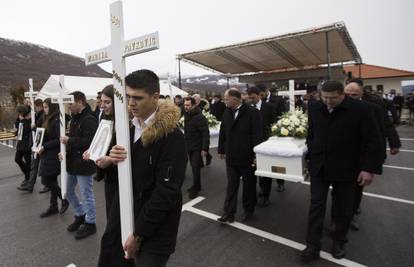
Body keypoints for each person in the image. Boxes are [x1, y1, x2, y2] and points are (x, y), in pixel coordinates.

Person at [108, 69, 187, 266]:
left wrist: (139, 234)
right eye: (128, 96)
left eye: (137, 98)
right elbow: (122, 175)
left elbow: (167, 192)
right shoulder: (129, 127)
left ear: (155, 97)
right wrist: (110, 160)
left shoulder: (172, 137)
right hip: (126, 216)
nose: (131, 103)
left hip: (155, 231)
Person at [301, 81, 382, 261]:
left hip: (347, 167)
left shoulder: (361, 110)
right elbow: (312, 134)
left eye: (333, 98)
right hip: (320, 166)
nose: (328, 102)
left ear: (342, 94)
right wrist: (309, 158)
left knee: (343, 208)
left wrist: (369, 169)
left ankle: (339, 242)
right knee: (316, 205)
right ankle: (312, 245)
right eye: (325, 98)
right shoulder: (315, 107)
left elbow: (373, 140)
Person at [340, 79, 401, 231]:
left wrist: (394, 143)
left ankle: (351, 214)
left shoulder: (374, 107)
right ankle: (338, 217)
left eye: (354, 95)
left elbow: (385, 127)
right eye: (347, 94)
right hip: (341, 155)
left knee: (356, 189)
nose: (349, 97)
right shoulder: (337, 105)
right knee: (339, 190)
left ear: (362, 93)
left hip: (361, 155)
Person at [217, 88, 263, 223]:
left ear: (235, 99)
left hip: (247, 156)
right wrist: (221, 149)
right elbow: (223, 131)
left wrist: (256, 154)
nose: (225, 101)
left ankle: (249, 210)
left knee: (249, 185)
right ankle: (228, 213)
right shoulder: (227, 111)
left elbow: (257, 134)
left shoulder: (252, 112)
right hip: (231, 156)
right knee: (231, 185)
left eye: (226, 99)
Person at [59, 91, 99, 240]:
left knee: (86, 193)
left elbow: (89, 143)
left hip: (84, 163)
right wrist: (64, 152)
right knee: (68, 191)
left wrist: (69, 141)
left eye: (71, 103)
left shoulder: (89, 119)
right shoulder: (75, 118)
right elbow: (73, 140)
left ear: (80, 102)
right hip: (73, 163)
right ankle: (80, 214)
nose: (68, 106)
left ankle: (90, 223)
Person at [37, 98, 70, 217]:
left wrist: (44, 146)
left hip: (53, 154)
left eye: (46, 107)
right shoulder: (47, 118)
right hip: (47, 153)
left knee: (46, 180)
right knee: (51, 180)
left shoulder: (57, 119)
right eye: (44, 107)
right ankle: (53, 206)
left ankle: (64, 199)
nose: (44, 109)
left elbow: (58, 139)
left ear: (52, 107)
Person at [246, 86, 276, 207]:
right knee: (253, 170)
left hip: (265, 143)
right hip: (250, 144)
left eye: (253, 98)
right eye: (249, 98)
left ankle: (265, 195)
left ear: (259, 95)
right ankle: (258, 191)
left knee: (265, 171)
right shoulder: (247, 108)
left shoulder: (269, 107)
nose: (251, 100)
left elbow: (273, 125)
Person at [257, 84, 286, 192]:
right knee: (263, 162)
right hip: (261, 135)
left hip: (275, 135)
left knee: (276, 160)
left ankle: (280, 181)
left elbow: (283, 115)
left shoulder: (278, 100)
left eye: (261, 94)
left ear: (266, 90)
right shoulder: (256, 102)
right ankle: (263, 188)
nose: (260, 97)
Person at [17, 99, 49, 193]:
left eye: (35, 107)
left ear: (38, 106)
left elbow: (41, 128)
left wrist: (34, 127)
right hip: (37, 143)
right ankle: (30, 185)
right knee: (34, 166)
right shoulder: (38, 115)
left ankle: (48, 185)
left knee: (43, 166)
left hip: (42, 143)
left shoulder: (43, 115)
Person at [183, 96, 210, 199]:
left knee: (195, 168)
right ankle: (196, 185)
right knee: (194, 167)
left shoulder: (200, 117)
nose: (185, 107)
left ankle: (196, 188)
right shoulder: (187, 114)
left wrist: (205, 148)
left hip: (197, 147)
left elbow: (205, 133)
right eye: (185, 105)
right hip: (189, 145)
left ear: (194, 105)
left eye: (188, 105)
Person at [14, 105, 32, 187]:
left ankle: (28, 178)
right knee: (17, 159)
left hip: (27, 144)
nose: (18, 114)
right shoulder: (19, 119)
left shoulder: (28, 119)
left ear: (22, 112)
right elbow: (17, 129)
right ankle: (28, 174)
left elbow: (28, 129)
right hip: (20, 143)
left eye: (19, 113)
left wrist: (23, 120)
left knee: (28, 162)